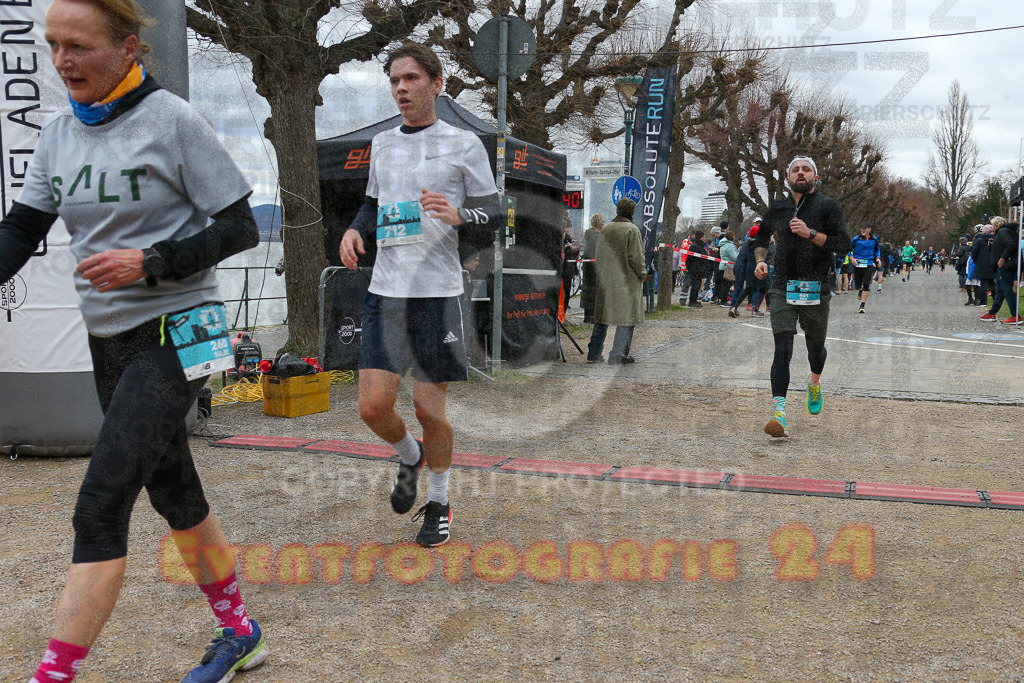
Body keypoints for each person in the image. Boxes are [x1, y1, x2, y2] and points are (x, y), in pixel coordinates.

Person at [0, 1, 267, 680]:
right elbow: (19, 232)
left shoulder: (172, 119)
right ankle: (241, 631)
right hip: (108, 338)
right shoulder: (59, 134)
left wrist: (150, 260)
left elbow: (240, 227)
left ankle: (54, 671)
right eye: (53, 45)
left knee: (101, 500)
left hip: (181, 328)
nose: (62, 62)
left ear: (127, 48)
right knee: (172, 487)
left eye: (79, 46)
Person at [338, 43, 500, 547]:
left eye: (410, 79)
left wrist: (460, 215)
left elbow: (493, 215)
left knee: (431, 411)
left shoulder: (465, 144)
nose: (401, 89)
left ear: (436, 83)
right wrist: (354, 230)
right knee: (372, 408)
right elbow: (371, 203)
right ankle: (409, 454)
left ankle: (439, 499)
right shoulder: (383, 144)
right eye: (394, 81)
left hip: (437, 294)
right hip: (386, 292)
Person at [754, 156, 851, 438]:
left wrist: (811, 234)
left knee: (815, 350)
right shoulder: (778, 208)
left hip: (816, 286)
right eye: (794, 169)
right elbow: (760, 240)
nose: (800, 172)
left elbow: (843, 245)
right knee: (782, 349)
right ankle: (779, 415)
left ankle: (814, 381)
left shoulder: (828, 206)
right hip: (783, 286)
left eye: (806, 169)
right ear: (787, 178)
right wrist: (761, 260)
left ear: (815, 177)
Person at [587, 198, 645, 364]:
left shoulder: (606, 230)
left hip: (607, 280)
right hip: (626, 281)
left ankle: (594, 352)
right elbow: (636, 258)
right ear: (632, 212)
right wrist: (642, 273)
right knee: (626, 319)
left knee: (602, 317)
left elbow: (599, 255)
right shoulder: (632, 230)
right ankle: (618, 354)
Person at [989, 218, 1021, 324]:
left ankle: (1015, 315)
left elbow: (1011, 244)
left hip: (1007, 263)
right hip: (1010, 263)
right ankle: (992, 312)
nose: (992, 228)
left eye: (993, 225)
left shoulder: (1003, 231)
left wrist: (1003, 258)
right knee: (1001, 288)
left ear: (997, 225)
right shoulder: (1008, 231)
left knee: (1006, 289)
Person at [849, 222, 881, 314]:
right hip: (858, 263)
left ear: (869, 229)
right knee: (857, 285)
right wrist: (852, 258)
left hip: (869, 263)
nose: (863, 230)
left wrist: (878, 258)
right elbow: (848, 250)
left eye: (865, 228)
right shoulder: (856, 239)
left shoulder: (874, 240)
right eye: (861, 228)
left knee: (866, 283)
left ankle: (862, 305)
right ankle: (860, 290)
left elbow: (877, 250)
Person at [580, 213, 604, 323]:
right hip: (593, 268)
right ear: (598, 222)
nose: (604, 223)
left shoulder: (592, 234)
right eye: (602, 221)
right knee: (591, 292)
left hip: (592, 267)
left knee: (591, 291)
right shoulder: (593, 235)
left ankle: (591, 315)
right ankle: (590, 316)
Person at [970, 224, 996, 310]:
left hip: (981, 264)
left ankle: (983, 301)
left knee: (983, 283)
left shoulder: (979, 241)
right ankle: (995, 299)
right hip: (993, 263)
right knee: (992, 282)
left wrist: (975, 260)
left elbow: (974, 252)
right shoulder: (995, 239)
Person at [684, 229, 710, 307]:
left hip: (700, 269)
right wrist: (688, 267)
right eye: (703, 237)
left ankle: (694, 300)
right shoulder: (694, 246)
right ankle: (692, 301)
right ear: (699, 237)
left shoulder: (701, 246)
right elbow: (689, 258)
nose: (704, 238)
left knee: (698, 286)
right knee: (695, 286)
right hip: (695, 269)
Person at [560, 216, 580, 309]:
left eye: (569, 227)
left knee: (567, 287)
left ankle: (566, 303)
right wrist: (569, 248)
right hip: (563, 266)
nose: (568, 229)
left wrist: (575, 250)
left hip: (569, 266)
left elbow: (573, 255)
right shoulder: (561, 237)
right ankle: (562, 304)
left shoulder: (568, 237)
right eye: (567, 227)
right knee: (562, 287)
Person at [716, 230, 740, 307]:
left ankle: (722, 299)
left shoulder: (723, 245)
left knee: (724, 284)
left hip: (723, 265)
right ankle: (723, 301)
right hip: (729, 267)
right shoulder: (730, 246)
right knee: (727, 284)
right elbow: (734, 257)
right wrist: (739, 252)